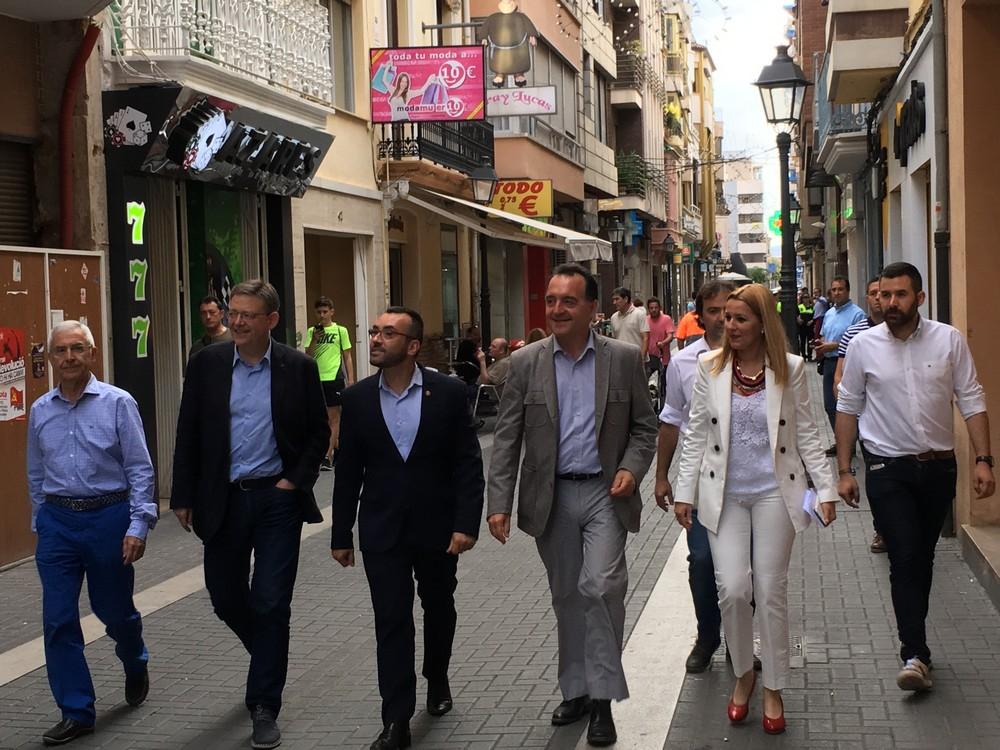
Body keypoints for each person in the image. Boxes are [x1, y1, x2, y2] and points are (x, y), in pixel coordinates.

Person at [487, 263, 657, 747]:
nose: (557, 309)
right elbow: (507, 438)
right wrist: (498, 502)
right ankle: (577, 690)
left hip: (606, 494)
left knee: (600, 588)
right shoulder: (525, 363)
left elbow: (644, 427)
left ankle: (602, 701)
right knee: (567, 597)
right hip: (552, 497)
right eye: (551, 300)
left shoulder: (623, 358)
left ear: (592, 309)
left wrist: (632, 468)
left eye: (568, 301)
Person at [171, 280, 330, 749]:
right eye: (233, 312)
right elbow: (188, 430)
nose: (236, 322)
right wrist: (183, 494)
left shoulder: (297, 367)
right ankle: (267, 653)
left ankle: (264, 704)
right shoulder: (208, 364)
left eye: (247, 315)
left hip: (276, 500)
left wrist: (293, 482)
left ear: (271, 320)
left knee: (271, 601)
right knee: (225, 597)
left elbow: (319, 433)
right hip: (222, 499)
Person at [673, 284, 838, 736]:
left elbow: (807, 433)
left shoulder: (791, 369)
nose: (729, 325)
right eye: (726, 317)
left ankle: (774, 687)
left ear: (763, 323)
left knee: (770, 591)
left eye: (740, 318)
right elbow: (696, 434)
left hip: (774, 494)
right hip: (723, 495)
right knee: (731, 589)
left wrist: (825, 489)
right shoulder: (710, 367)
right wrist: (684, 493)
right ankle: (744, 672)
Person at [835, 262, 994, 693]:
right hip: (887, 468)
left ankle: (917, 648)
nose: (890, 302)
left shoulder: (948, 340)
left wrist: (984, 460)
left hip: (939, 467)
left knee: (922, 556)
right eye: (884, 295)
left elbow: (972, 399)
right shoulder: (864, 346)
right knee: (904, 556)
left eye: (900, 295)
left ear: (919, 298)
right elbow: (848, 406)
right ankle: (914, 653)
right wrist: (845, 470)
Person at [332, 307, 484, 750]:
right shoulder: (357, 398)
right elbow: (348, 471)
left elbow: (467, 463)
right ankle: (396, 719)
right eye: (374, 331)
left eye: (388, 333)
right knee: (391, 620)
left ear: (413, 346)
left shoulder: (449, 393)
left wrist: (466, 524)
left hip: (437, 527)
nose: (376, 339)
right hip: (382, 530)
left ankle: (437, 675)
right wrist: (341, 534)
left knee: (439, 606)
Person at [26, 321, 156, 747]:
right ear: (51, 358)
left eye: (77, 349)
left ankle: (134, 656)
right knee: (58, 619)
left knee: (113, 610)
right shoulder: (40, 410)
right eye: (60, 350)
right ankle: (76, 711)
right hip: (58, 524)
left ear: (92, 354)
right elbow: (36, 472)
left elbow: (139, 467)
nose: (69, 358)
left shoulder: (119, 403)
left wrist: (138, 524)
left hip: (108, 519)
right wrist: (41, 521)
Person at [653, 280, 735, 673]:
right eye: (713, 311)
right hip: (701, 480)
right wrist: (661, 477)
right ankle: (707, 636)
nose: (722, 318)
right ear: (699, 317)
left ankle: (739, 639)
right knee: (702, 560)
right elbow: (671, 421)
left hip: (748, 481)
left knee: (745, 568)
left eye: (727, 310)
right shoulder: (683, 363)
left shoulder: (759, 357)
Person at [831, 277, 886, 553]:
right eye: (873, 293)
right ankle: (881, 528)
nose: (878, 298)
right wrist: (848, 409)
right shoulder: (854, 333)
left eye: (882, 293)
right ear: (867, 297)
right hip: (867, 421)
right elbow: (839, 377)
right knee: (877, 476)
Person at [813, 276, 865, 454]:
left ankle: (851, 444)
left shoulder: (857, 314)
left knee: (847, 406)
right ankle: (841, 442)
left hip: (846, 364)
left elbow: (859, 342)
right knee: (830, 406)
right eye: (834, 289)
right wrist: (821, 344)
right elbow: (823, 334)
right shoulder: (829, 313)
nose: (836, 293)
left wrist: (834, 346)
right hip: (829, 363)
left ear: (848, 291)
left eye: (840, 289)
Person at [304, 296, 354, 470]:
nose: (322, 315)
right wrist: (314, 339)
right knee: (319, 417)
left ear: (332, 312)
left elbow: (347, 356)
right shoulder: (312, 331)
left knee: (334, 417)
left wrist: (351, 379)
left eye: (325, 311)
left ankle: (327, 455)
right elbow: (308, 355)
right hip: (316, 378)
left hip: (334, 377)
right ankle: (329, 447)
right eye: (319, 312)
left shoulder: (341, 330)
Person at [188, 295, 233, 359]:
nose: (208, 317)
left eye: (212, 312)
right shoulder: (197, 348)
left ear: (221, 314)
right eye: (204, 313)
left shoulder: (234, 339)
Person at [645, 297, 675, 389]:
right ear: (648, 309)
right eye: (651, 308)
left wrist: (663, 343)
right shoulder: (645, 320)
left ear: (660, 308)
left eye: (656, 307)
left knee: (663, 384)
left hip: (663, 358)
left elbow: (670, 335)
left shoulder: (666, 319)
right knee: (646, 383)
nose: (654, 310)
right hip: (648, 358)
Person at [609, 287, 649, 353]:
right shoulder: (614, 317)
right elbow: (614, 340)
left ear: (626, 299)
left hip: (636, 356)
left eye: (617, 299)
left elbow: (645, 338)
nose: (614, 302)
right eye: (613, 300)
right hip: (620, 357)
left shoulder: (639, 314)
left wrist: (641, 357)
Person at [796, 292, 813, 360]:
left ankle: (809, 356)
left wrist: (811, 321)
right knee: (802, 342)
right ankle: (803, 356)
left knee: (810, 342)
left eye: (807, 297)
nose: (806, 299)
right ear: (802, 299)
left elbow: (814, 316)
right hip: (802, 326)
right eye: (804, 297)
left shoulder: (812, 307)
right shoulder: (799, 307)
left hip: (810, 327)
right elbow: (796, 315)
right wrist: (798, 319)